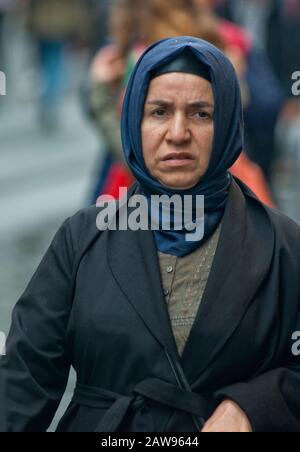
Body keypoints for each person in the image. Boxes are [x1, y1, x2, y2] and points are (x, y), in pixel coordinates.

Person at [0, 37, 300, 432]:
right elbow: (24, 382)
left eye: (200, 114)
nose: (178, 133)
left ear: (227, 122)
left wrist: (254, 405)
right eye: (159, 111)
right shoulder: (84, 238)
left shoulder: (280, 245)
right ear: (134, 124)